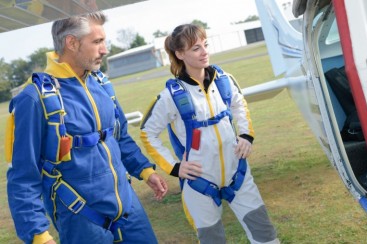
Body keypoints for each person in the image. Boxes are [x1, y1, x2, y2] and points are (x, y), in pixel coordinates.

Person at [6, 12, 168, 244]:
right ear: (72, 43)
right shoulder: (33, 99)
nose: (105, 49)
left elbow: (119, 137)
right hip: (80, 218)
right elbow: (23, 175)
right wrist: (38, 235)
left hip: (129, 210)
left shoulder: (101, 83)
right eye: (97, 41)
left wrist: (145, 171)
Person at [140, 24, 279, 244]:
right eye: (196, 48)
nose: (204, 52)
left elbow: (239, 105)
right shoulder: (170, 96)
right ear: (180, 54)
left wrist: (246, 135)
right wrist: (175, 167)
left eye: (205, 45)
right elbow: (148, 133)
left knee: (265, 235)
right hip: (199, 182)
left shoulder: (224, 80)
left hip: (238, 174)